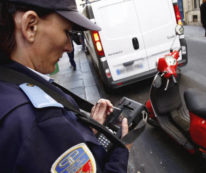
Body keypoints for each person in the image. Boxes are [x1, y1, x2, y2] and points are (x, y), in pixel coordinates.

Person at [0, 0, 129, 172]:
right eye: (66, 32)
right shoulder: (39, 120)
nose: (69, 47)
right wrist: (122, 150)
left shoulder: (10, 85)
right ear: (30, 26)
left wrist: (85, 131)